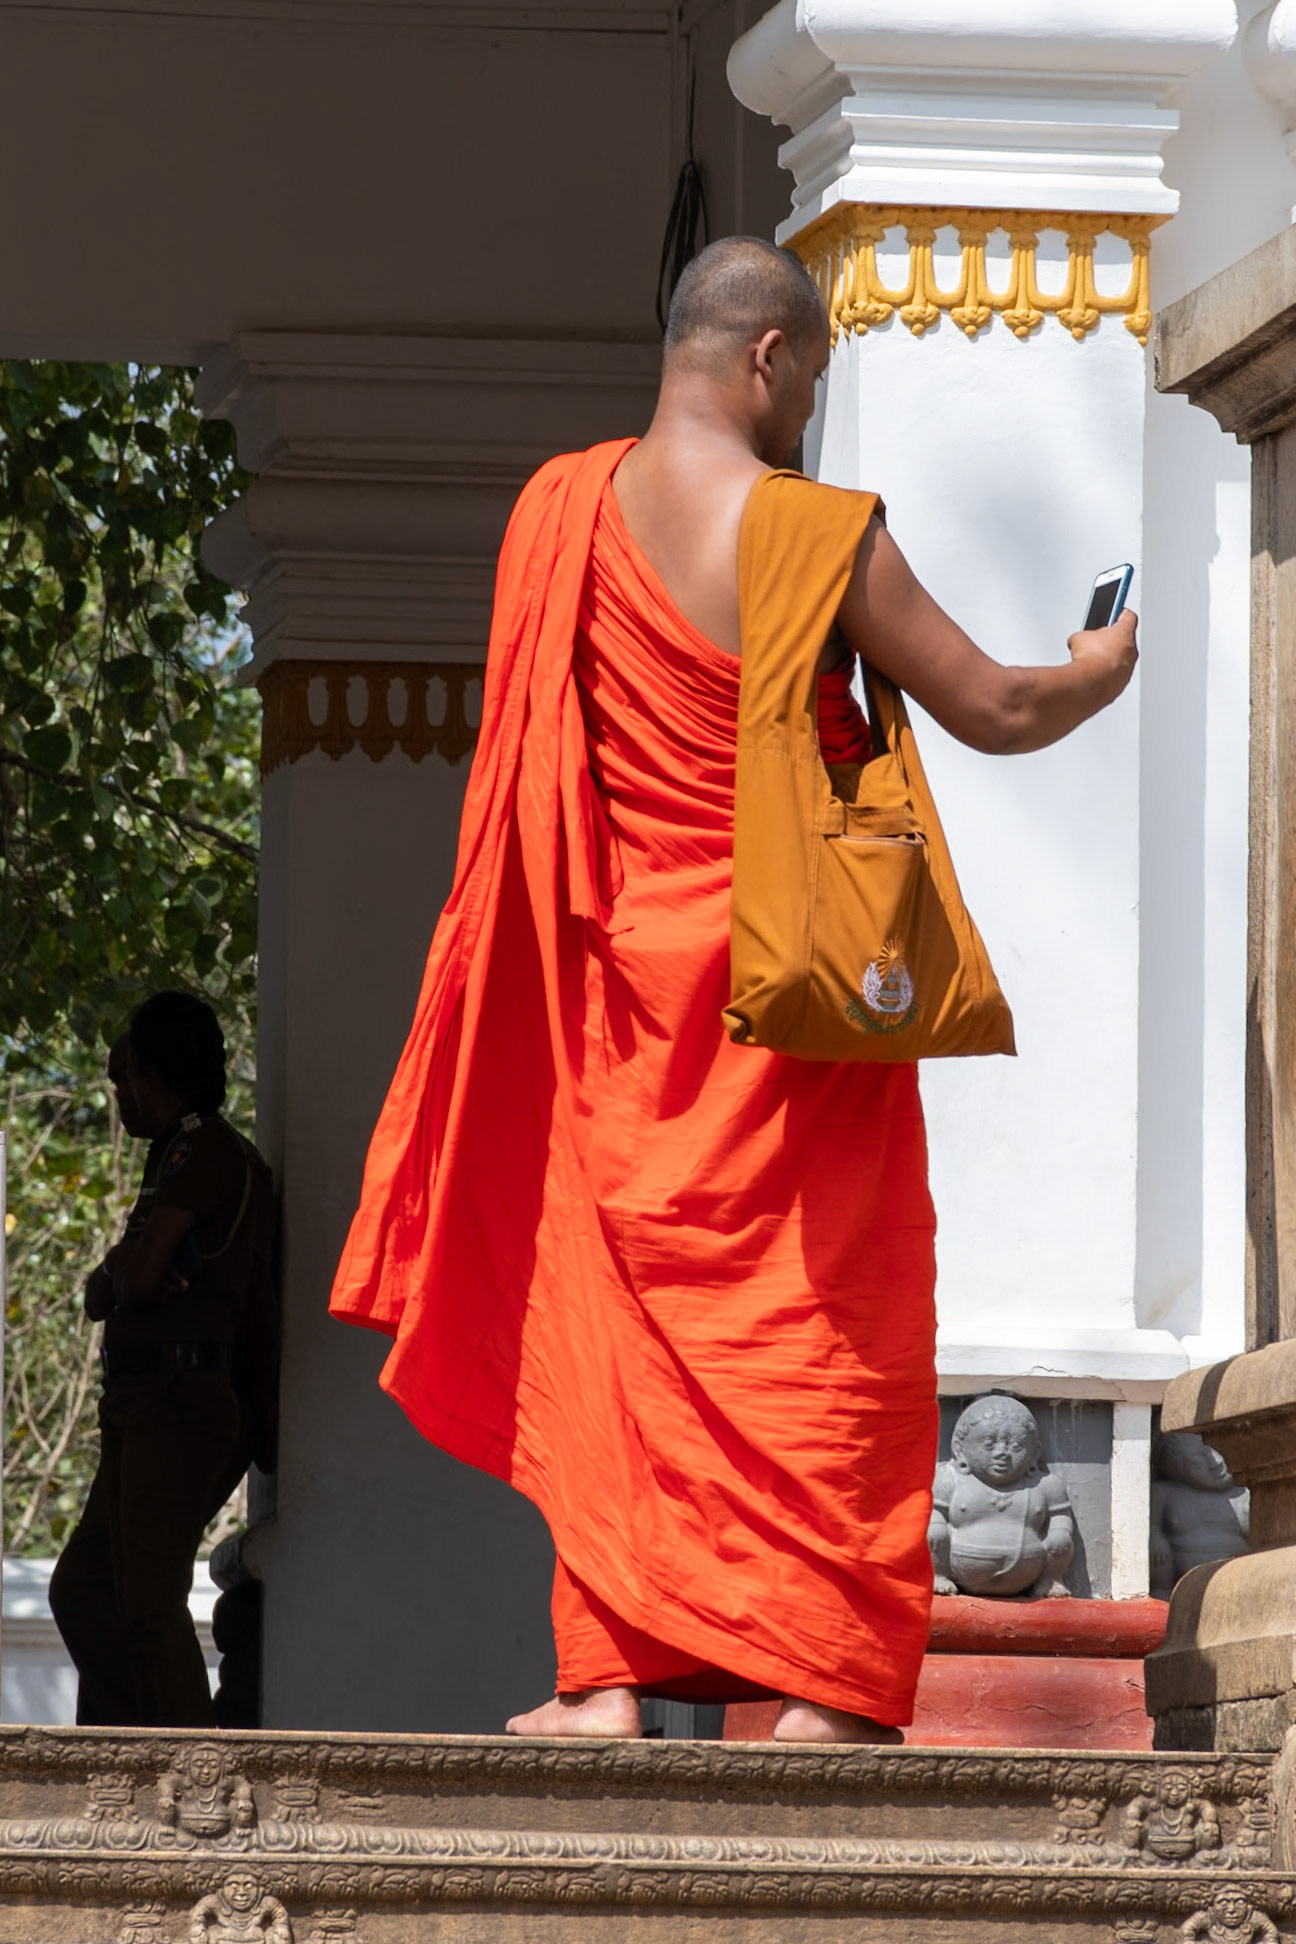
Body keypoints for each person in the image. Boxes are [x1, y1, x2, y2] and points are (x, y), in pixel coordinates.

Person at [330, 235, 1137, 1743]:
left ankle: (607, 1683)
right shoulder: (810, 530)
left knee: (620, 1332)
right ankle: (825, 1686)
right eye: (816, 377)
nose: (813, 408)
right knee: (820, 1323)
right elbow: (992, 701)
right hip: (791, 992)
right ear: (770, 356)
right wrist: (1095, 668)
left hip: (624, 996)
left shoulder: (560, 511)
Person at [49, 991, 277, 1727]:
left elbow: (138, 1281)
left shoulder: (205, 1147)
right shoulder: (173, 1153)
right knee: (86, 1589)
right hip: (144, 1402)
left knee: (145, 1600)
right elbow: (104, 1291)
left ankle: (192, 1772)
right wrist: (123, 1269)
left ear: (157, 1074)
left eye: (125, 1081)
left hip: (179, 1401)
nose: (120, 1098)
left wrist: (125, 1272)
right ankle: (122, 1749)